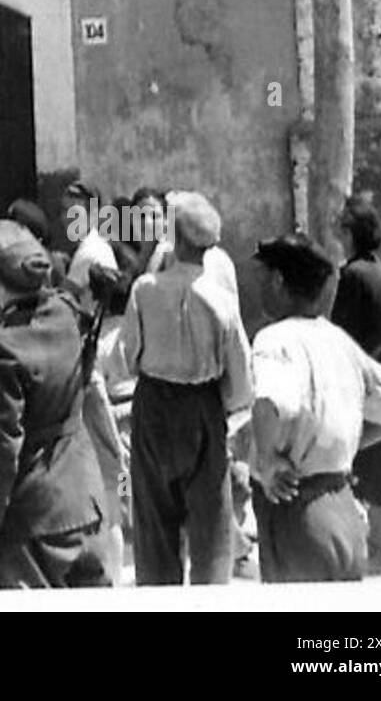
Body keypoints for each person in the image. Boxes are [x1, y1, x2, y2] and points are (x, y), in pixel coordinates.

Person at [251, 231, 381, 583]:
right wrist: (353, 441)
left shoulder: (274, 338)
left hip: (298, 512)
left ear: (279, 281)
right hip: (346, 510)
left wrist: (267, 461)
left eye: (264, 276)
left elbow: (271, 401)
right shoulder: (337, 340)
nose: (260, 286)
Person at [0, 219, 110, 589]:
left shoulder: (0, 346)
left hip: (34, 515)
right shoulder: (67, 313)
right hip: (84, 496)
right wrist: (3, 243)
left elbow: (1, 448)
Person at [120, 190, 252, 585]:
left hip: (154, 404)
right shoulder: (222, 300)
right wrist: (223, 411)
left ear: (175, 238)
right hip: (204, 406)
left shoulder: (144, 289)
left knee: (154, 519)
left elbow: (128, 356)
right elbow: (240, 375)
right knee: (211, 521)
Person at [329, 192, 381, 572]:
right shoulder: (377, 270)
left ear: (351, 232)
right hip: (378, 375)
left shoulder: (352, 275)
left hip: (360, 380)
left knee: (375, 466)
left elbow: (341, 334)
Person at [59, 180, 118, 306]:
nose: (66, 218)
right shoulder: (94, 245)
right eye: (64, 210)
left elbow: (62, 299)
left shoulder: (90, 252)